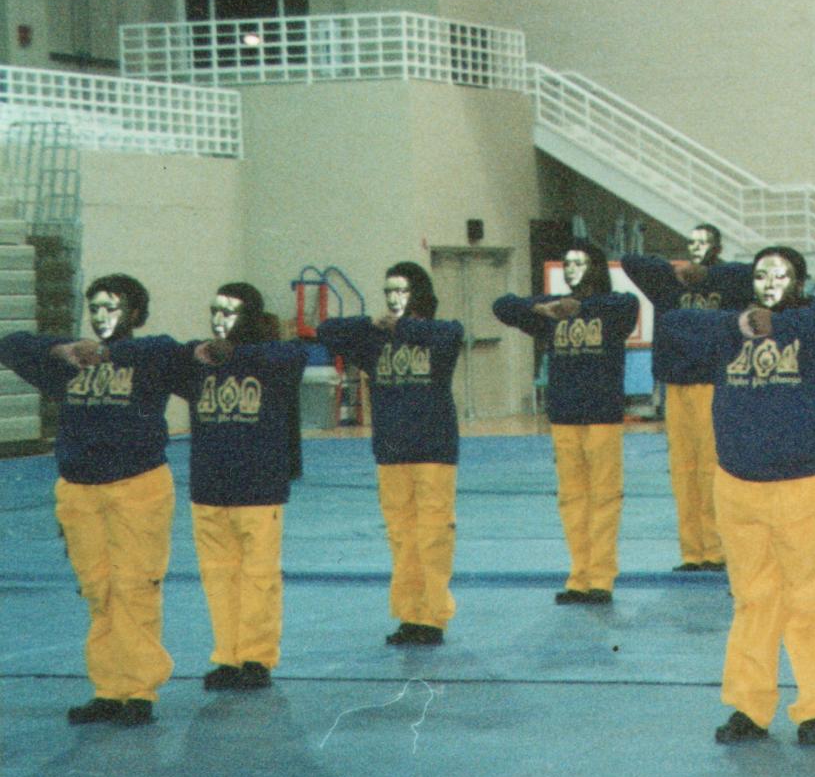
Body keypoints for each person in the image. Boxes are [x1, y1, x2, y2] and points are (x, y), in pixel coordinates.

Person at [657, 246, 815, 746]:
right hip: (739, 485)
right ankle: (750, 708)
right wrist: (741, 323)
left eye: (782, 275)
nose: (769, 283)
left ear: (800, 282)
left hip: (804, 484)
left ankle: (814, 708)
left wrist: (782, 323)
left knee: (810, 600)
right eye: (760, 275)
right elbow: (673, 324)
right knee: (752, 600)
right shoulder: (727, 329)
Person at [1, 274, 183, 725]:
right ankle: (108, 688)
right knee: (98, 590)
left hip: (137, 486)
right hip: (80, 490)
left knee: (135, 587)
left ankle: (138, 690)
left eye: (112, 307)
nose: (101, 316)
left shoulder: (151, 356)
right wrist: (61, 349)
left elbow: (165, 349)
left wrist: (107, 353)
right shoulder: (67, 364)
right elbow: (10, 345)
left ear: (135, 313)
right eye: (95, 307)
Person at [171, 283, 308, 690]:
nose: (219, 319)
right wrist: (200, 351)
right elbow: (161, 355)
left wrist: (236, 353)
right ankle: (227, 655)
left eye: (229, 312)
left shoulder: (275, 359)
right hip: (209, 488)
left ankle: (256, 657)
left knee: (259, 577)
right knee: (219, 579)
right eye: (215, 310)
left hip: (258, 488)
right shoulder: (198, 362)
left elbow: (294, 355)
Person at [319, 262, 464, 646]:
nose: (393, 299)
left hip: (433, 451)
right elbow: (326, 332)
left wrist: (403, 327)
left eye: (402, 292)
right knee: (402, 538)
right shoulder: (374, 339)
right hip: (391, 451)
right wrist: (372, 323)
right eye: (388, 292)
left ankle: (433, 616)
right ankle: (409, 614)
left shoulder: (441, 334)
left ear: (419, 296)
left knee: (433, 537)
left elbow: (451, 335)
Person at [495, 243, 640, 604]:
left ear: (595, 268)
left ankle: (601, 578)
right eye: (567, 263)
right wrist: (541, 308)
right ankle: (579, 575)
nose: (572, 269)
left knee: (604, 497)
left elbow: (627, 306)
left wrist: (581, 308)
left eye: (580, 263)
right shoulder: (552, 308)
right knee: (572, 499)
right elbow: (502, 306)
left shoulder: (615, 306)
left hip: (602, 415)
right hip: (564, 416)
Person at [622, 225, 753, 573]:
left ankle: (717, 548)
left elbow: (753, 271)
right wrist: (675, 270)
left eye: (704, 242)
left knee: (714, 468)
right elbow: (631, 261)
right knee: (683, 471)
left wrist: (709, 274)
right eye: (691, 242)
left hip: (715, 383)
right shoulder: (668, 283)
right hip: (676, 385)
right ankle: (692, 551)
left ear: (718, 248)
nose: (697, 247)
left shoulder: (730, 283)